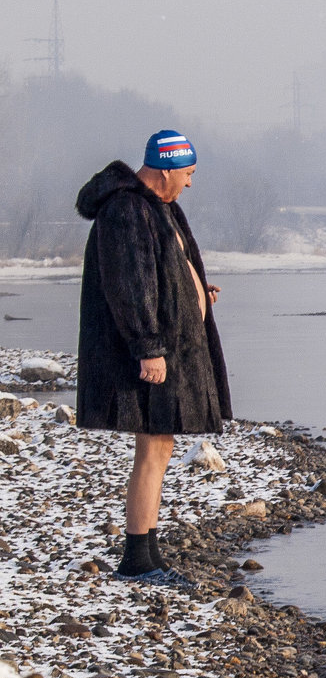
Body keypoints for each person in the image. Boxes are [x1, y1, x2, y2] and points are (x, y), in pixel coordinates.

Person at [75, 130, 232, 589]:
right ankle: (138, 559)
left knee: (159, 447)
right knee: (152, 449)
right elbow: (129, 286)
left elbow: (163, 271)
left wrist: (195, 293)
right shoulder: (126, 209)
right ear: (166, 168)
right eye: (187, 173)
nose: (190, 183)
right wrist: (149, 349)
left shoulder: (157, 206)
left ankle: (147, 551)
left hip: (168, 348)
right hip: (150, 353)